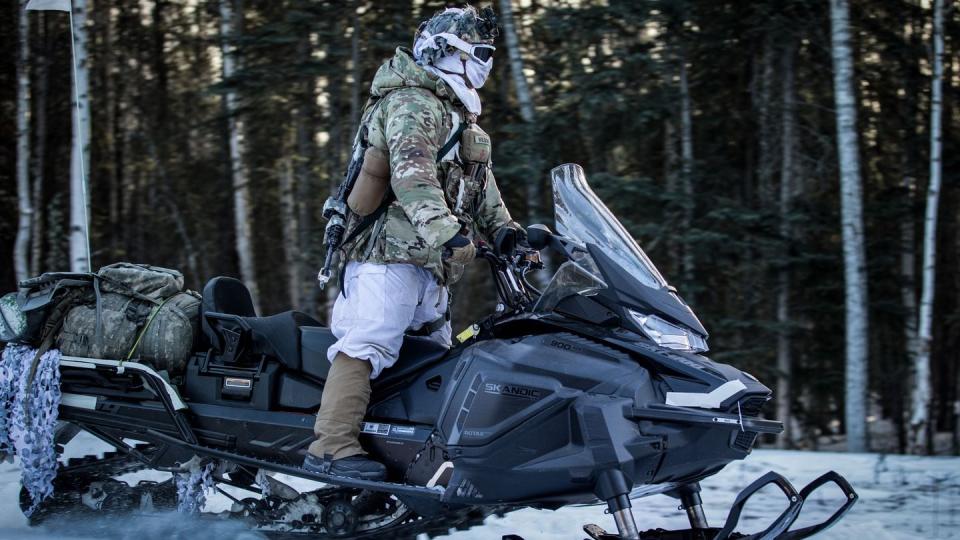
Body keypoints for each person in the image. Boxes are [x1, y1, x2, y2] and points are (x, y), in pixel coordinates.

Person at [303, 5, 523, 480]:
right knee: (370, 341)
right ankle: (331, 445)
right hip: (387, 255)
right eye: (480, 52)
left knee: (430, 354)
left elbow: (482, 188)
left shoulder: (458, 115)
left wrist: (505, 231)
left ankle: (410, 456)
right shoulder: (411, 103)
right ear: (446, 51)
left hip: (426, 261)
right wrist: (447, 233)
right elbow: (412, 175)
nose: (487, 62)